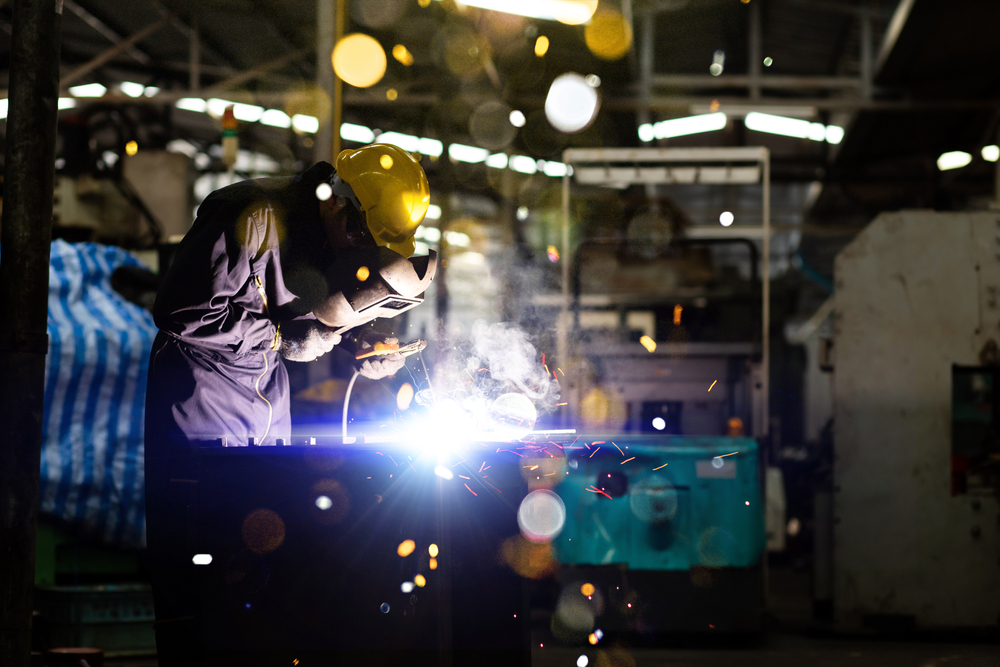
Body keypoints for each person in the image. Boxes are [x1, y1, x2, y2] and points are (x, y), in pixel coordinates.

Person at [143, 144, 431, 665]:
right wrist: (281, 337)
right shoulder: (251, 217)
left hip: (266, 402)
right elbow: (180, 312)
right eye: (363, 237)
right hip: (201, 402)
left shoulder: (327, 235)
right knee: (203, 571)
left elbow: (311, 308)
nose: (361, 252)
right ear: (336, 203)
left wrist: (354, 339)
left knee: (264, 563)